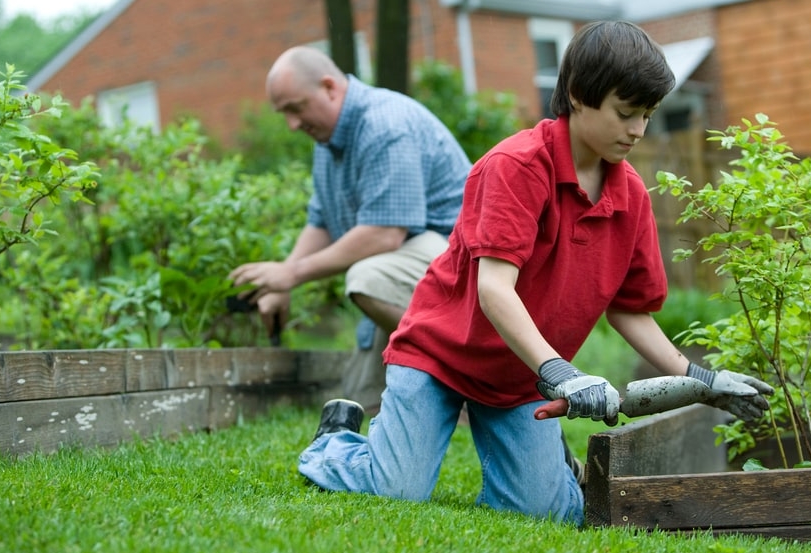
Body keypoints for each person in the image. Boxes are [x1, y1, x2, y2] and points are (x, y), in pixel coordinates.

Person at [296, 21, 774, 526]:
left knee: (545, 513)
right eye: (626, 113)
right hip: (440, 357)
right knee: (396, 490)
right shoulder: (516, 167)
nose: (638, 130)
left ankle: (549, 470)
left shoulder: (630, 195)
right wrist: (563, 373)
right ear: (576, 95)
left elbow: (630, 312)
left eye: (647, 116)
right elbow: (495, 289)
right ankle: (337, 441)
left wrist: (704, 380)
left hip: (522, 376)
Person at [229, 46, 472, 413]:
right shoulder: (328, 141)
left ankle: (469, 376)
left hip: (464, 270)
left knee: (368, 277)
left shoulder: (384, 124)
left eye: (295, 108)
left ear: (329, 87)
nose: (292, 124)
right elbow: (322, 221)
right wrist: (279, 282)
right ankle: (435, 386)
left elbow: (384, 234)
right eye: (284, 114)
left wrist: (292, 274)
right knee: (358, 402)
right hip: (410, 272)